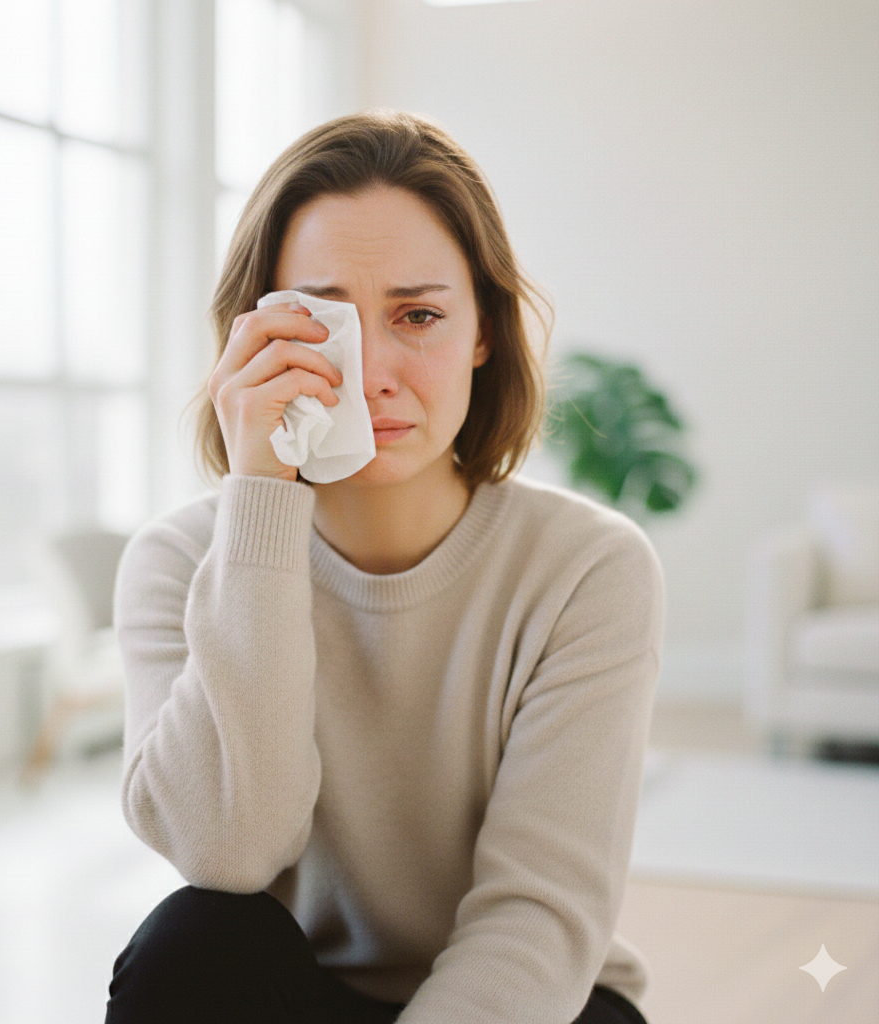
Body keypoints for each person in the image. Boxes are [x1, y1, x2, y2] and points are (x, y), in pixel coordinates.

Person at [105, 110, 662, 1024]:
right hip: (297, 991)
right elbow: (229, 852)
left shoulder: (587, 569)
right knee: (195, 939)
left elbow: (536, 923)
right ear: (254, 338)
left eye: (419, 316)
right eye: (321, 322)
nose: (370, 375)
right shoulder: (176, 563)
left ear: (483, 330)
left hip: (528, 1005)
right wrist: (261, 495)